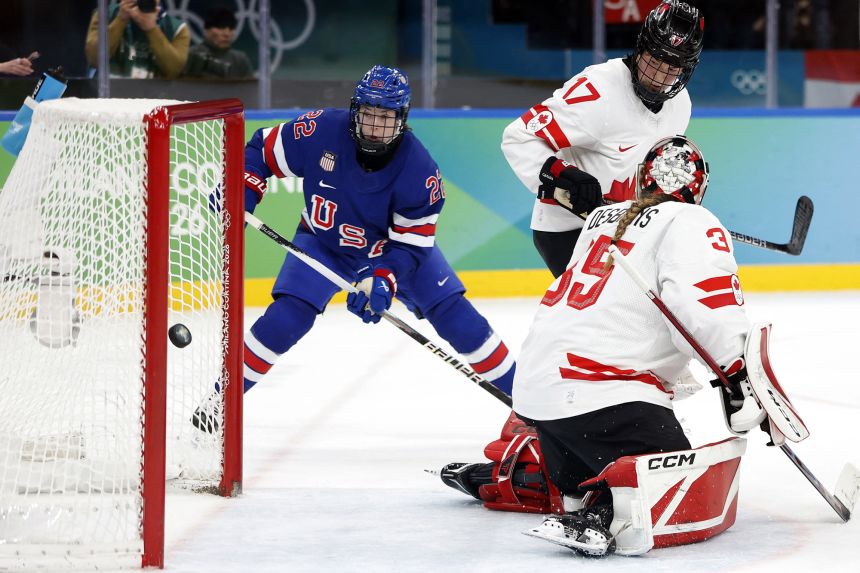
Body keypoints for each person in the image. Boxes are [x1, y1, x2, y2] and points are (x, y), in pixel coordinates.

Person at [441, 136, 771, 557]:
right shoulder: (694, 222)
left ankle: (520, 474)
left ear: (638, 180)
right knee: (669, 482)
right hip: (605, 404)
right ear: (699, 190)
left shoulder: (600, 219)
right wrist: (736, 374)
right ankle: (603, 509)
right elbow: (704, 309)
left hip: (539, 401)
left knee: (584, 466)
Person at [193, 65, 516, 432]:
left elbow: (411, 246)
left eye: (386, 117)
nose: (375, 126)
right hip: (323, 243)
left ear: (402, 118)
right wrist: (243, 188)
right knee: (286, 318)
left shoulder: (420, 171)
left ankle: (531, 407)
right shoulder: (319, 131)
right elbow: (260, 151)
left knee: (459, 320)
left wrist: (383, 279)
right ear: (354, 111)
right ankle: (221, 399)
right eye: (368, 114)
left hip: (390, 250)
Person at [501, 0, 704, 278]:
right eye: (655, 61)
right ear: (641, 46)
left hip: (622, 226)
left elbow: (650, 169)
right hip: (568, 229)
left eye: (672, 68)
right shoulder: (598, 91)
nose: (659, 77)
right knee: (608, 314)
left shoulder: (680, 104)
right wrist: (564, 176)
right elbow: (518, 138)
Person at [85, 0, 189, 79]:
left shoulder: (177, 29)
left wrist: (152, 29)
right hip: (108, 100)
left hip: (153, 101)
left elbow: (174, 70)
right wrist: (120, 20)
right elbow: (94, 58)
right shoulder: (104, 15)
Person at [183, 6, 253, 79]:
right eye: (221, 27)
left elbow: (250, 89)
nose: (227, 34)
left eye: (231, 28)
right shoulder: (190, 56)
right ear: (207, 31)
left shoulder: (240, 60)